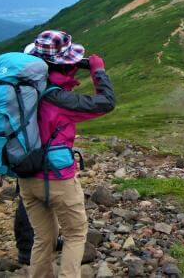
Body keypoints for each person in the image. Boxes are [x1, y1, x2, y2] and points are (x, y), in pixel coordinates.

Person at [19, 30, 115, 278]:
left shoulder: (24, 89)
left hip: (26, 177)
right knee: (75, 234)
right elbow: (105, 102)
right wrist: (97, 71)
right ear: (64, 65)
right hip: (57, 179)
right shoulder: (60, 100)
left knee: (43, 237)